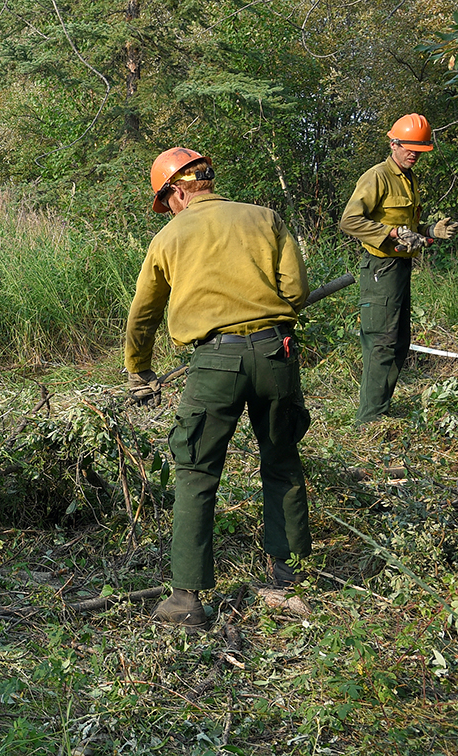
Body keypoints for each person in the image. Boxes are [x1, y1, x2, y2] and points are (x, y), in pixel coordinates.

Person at [125, 147, 312, 630]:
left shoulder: (170, 237)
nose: (166, 210)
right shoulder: (265, 218)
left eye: (164, 201)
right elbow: (295, 292)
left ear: (178, 191)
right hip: (277, 356)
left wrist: (138, 369)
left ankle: (186, 600)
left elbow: (143, 313)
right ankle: (287, 578)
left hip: (215, 363)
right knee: (282, 461)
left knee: (196, 472)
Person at [338, 114, 458, 424]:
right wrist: (391, 234)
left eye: (420, 150)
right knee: (382, 341)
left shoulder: (410, 179)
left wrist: (430, 231)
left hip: (401, 268)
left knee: (400, 341)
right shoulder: (376, 176)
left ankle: (381, 410)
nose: (414, 155)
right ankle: (369, 420)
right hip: (380, 267)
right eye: (410, 148)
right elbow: (349, 221)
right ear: (394, 143)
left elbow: (409, 228)